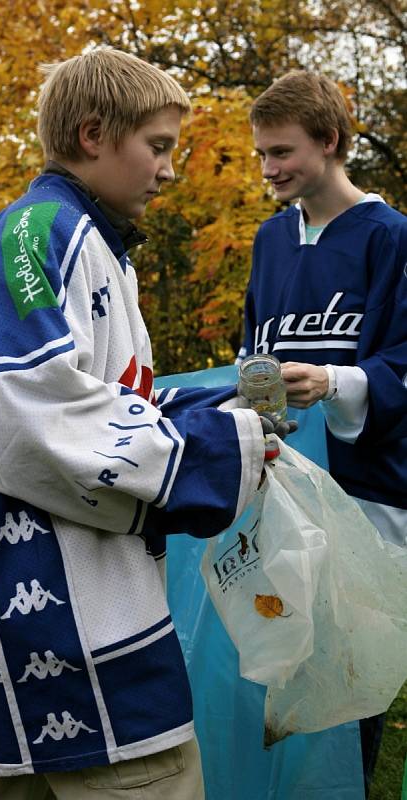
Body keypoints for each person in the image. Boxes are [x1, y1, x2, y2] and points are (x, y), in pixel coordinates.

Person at [0, 48, 291, 800]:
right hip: (47, 611)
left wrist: (225, 413)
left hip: (36, 600)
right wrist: (205, 453)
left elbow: (102, 400)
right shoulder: (39, 234)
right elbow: (21, 405)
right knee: (157, 781)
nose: (169, 171)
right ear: (91, 135)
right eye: (158, 146)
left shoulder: (95, 248)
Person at [239, 69, 407, 798]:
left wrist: (337, 382)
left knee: (350, 673)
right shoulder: (269, 240)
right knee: (275, 658)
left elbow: (401, 359)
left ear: (330, 142)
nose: (270, 169)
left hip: (369, 493)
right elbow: (254, 350)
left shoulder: (390, 236)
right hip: (282, 483)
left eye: (282, 152)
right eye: (261, 157)